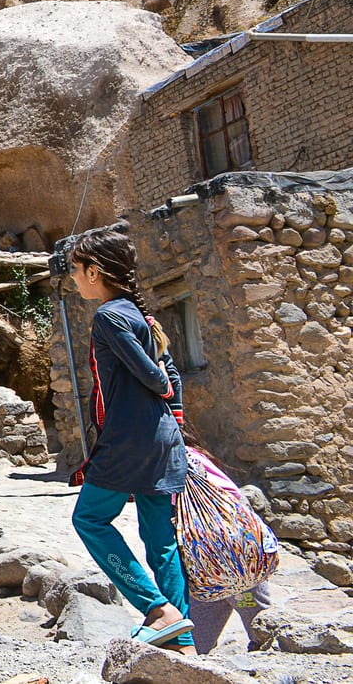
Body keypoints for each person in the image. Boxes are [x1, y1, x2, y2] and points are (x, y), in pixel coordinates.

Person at [67, 226, 194, 653]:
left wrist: (158, 386)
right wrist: (170, 409)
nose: (73, 278)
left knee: (89, 519)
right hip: (160, 438)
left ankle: (156, 610)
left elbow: (156, 375)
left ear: (95, 271)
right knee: (160, 540)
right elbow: (172, 375)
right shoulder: (142, 316)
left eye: (77, 269)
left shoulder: (109, 316)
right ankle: (181, 639)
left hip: (128, 441)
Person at [181, 426, 275, 654]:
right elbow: (234, 495)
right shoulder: (194, 456)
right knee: (249, 609)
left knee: (249, 612)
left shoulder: (174, 460)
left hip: (215, 562)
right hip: (229, 558)